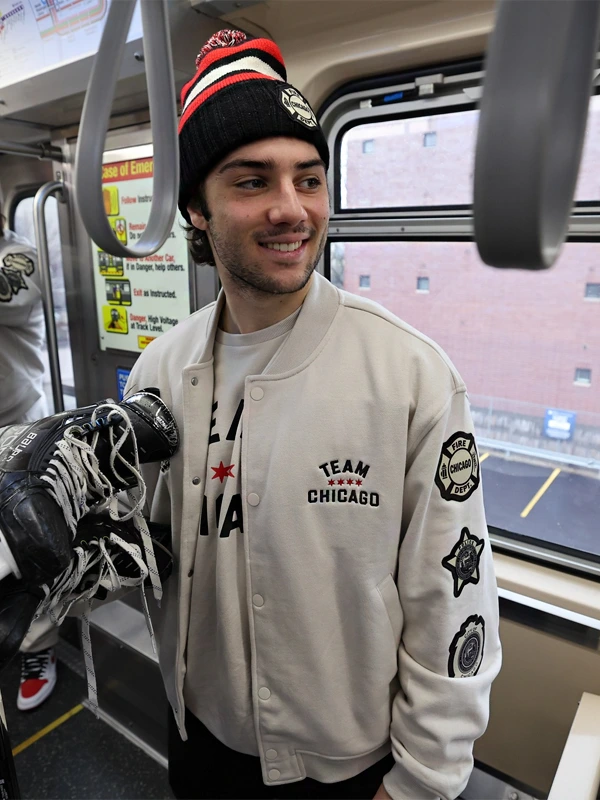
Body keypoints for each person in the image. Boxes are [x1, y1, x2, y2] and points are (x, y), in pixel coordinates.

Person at [125, 29, 502, 800]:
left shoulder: (409, 375)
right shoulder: (160, 369)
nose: (292, 210)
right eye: (252, 181)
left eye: (309, 178)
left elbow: (453, 600)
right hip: (197, 740)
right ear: (197, 206)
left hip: (347, 772)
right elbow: (143, 550)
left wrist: (422, 783)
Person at [0, 206, 59, 711]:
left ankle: (37, 648)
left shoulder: (20, 257)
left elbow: (11, 298)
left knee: (27, 548)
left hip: (17, 425)